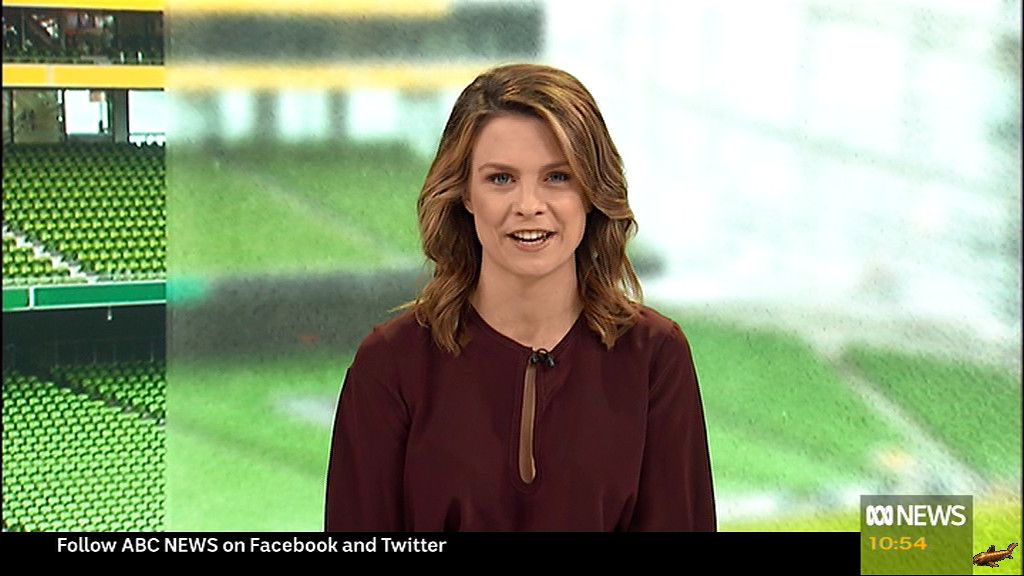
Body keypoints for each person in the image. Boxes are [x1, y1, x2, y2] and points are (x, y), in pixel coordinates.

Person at [325, 63, 716, 531]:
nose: (529, 206)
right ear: (465, 193)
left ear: (591, 192)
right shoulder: (389, 366)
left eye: (557, 177)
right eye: (501, 179)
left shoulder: (655, 358)